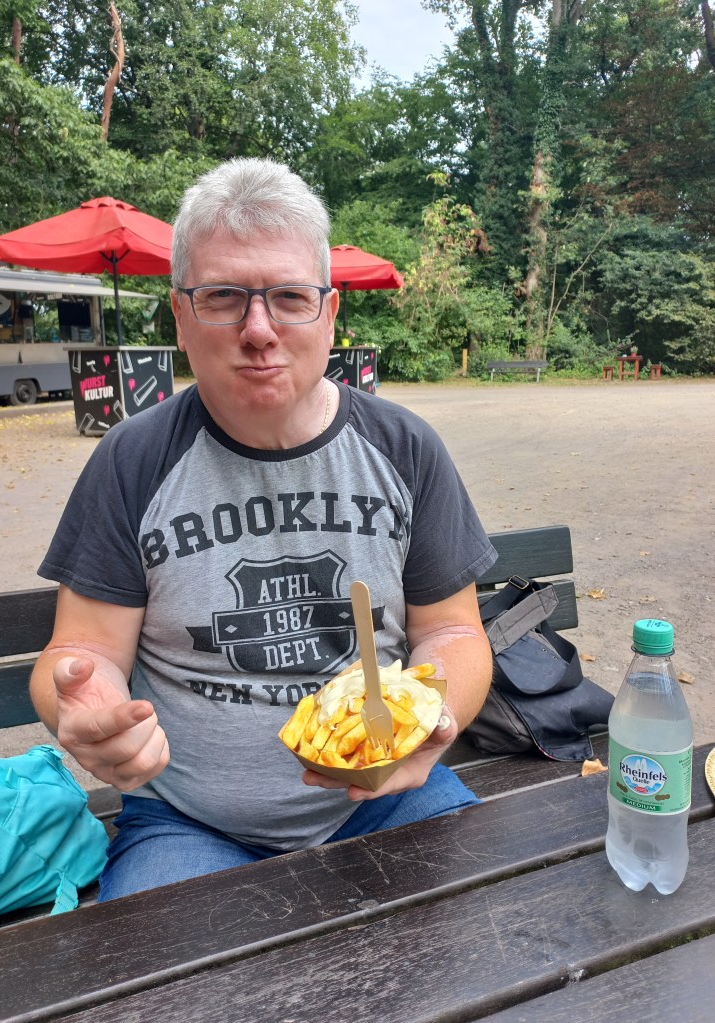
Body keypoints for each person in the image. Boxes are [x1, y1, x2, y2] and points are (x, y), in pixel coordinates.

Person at [30, 158, 497, 901]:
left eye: (288, 297)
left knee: (486, 931)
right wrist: (85, 707)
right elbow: (81, 652)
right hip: (188, 822)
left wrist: (437, 717)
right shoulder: (133, 459)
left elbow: (454, 633)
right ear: (179, 315)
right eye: (222, 296)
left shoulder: (404, 449)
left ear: (329, 313)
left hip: (387, 795)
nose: (258, 330)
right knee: (156, 972)